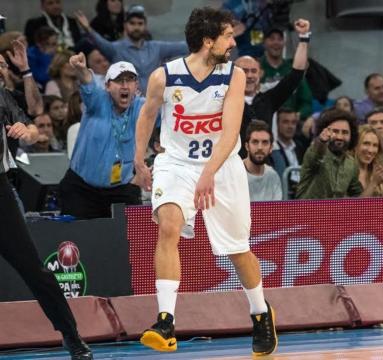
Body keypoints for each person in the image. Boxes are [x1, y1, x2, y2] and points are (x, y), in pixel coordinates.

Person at [132, 7, 277, 355]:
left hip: (222, 166)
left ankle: (261, 313)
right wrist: (138, 159)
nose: (233, 41)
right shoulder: (163, 77)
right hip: (177, 162)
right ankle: (165, 322)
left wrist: (208, 173)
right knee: (168, 226)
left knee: (237, 249)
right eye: (228, 35)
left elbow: (229, 134)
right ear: (208, 41)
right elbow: (147, 114)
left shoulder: (234, 75)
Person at [0, 67, 93, 360]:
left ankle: (71, 335)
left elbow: (32, 128)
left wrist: (25, 131)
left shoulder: (2, 96)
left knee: (34, 269)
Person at [59, 55, 143, 219]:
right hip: (82, 189)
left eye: (130, 80)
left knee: (130, 240)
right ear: (107, 86)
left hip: (121, 189)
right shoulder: (97, 101)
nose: (125, 86)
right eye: (119, 81)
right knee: (79, 242)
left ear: (136, 86)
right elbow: (88, 82)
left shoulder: (141, 106)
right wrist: (81, 69)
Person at [234, 18, 310, 156]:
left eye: (253, 71)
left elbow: (297, 74)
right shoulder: (224, 100)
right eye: (244, 71)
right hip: (233, 166)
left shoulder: (268, 100)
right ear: (233, 75)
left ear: (260, 74)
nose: (250, 75)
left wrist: (304, 37)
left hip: (265, 163)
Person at [75, 5, 188, 94]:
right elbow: (99, 42)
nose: (136, 27)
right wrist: (88, 29)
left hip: (155, 106)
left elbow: (183, 46)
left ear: (145, 26)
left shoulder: (156, 47)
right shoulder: (115, 49)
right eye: (132, 23)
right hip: (127, 107)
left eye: (140, 23)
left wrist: (203, 41)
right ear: (125, 25)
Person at [296, 108, 362, 199]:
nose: (340, 137)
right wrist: (322, 141)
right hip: (307, 211)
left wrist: (374, 182)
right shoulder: (315, 152)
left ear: (352, 135)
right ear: (324, 132)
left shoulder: (351, 163)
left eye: (345, 132)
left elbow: (358, 196)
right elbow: (317, 154)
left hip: (335, 212)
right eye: (335, 131)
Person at [260, 26, 313, 121]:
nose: (276, 42)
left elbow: (306, 101)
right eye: (272, 39)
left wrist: (298, 115)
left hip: (290, 123)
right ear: (264, 42)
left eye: (280, 39)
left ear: (284, 43)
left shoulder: (292, 70)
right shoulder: (255, 68)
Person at [243, 120, 283, 201]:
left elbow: (277, 211)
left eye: (265, 142)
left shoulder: (273, 176)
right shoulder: (234, 173)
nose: (260, 147)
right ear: (247, 146)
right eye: (255, 142)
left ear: (271, 147)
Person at [355, 124, 383, 197]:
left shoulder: (378, 171)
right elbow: (353, 207)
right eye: (366, 143)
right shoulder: (346, 170)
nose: (371, 150)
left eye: (375, 145)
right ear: (355, 145)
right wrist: (374, 183)